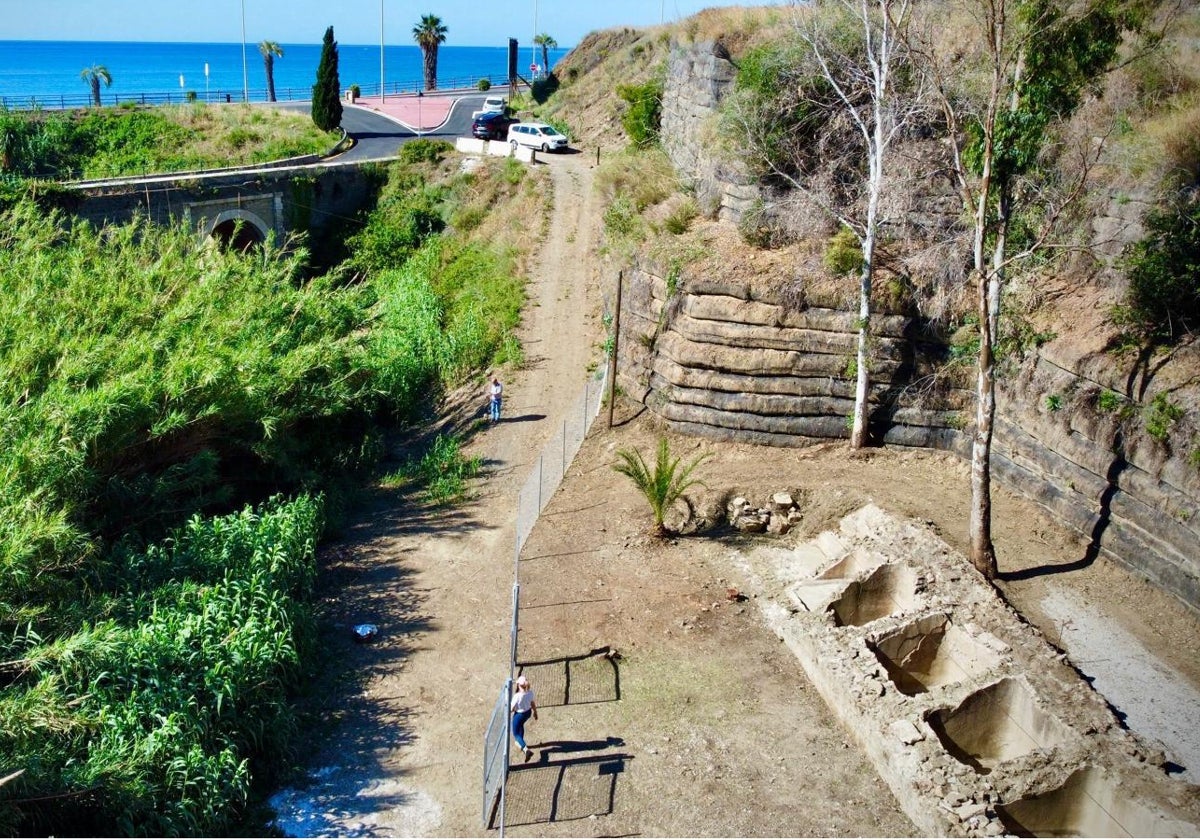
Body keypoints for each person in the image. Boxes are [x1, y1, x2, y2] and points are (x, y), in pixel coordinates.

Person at [510, 673, 537, 762]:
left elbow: (511, 709)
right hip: (527, 713)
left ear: (518, 685)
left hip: (519, 715)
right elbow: (532, 703)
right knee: (521, 726)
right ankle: (521, 743)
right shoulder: (530, 693)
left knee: (515, 734)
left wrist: (512, 710)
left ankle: (526, 750)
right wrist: (535, 712)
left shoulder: (517, 696)